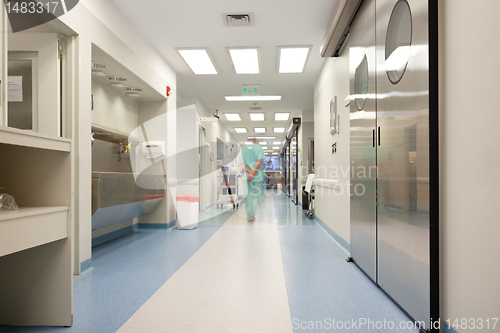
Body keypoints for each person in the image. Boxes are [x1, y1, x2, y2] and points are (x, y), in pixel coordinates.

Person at [241, 138, 265, 222]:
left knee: (249, 196)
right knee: (257, 196)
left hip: (247, 177)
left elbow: (240, 163)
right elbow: (259, 161)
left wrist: (249, 171)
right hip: (257, 177)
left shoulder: (243, 149)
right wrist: (253, 172)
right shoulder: (259, 148)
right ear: (255, 141)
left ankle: (250, 215)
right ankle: (253, 213)